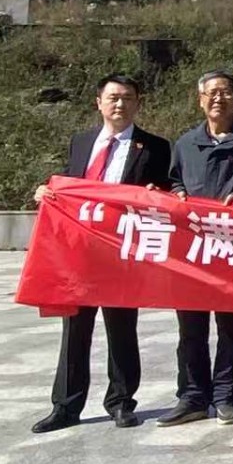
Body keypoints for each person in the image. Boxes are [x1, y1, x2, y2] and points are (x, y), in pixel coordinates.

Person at [31, 73, 172, 433]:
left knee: (121, 328)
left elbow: (164, 193)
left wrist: (159, 193)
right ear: (99, 102)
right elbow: (68, 184)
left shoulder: (154, 147)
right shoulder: (81, 142)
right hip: (78, 253)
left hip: (121, 253)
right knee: (74, 329)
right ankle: (66, 405)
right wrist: (46, 191)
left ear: (138, 103)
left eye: (127, 98)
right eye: (113, 98)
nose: (120, 104)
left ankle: (122, 401)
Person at [162, 71, 233, 427]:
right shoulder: (185, 143)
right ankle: (192, 396)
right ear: (200, 100)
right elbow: (173, 180)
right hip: (192, 249)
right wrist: (176, 193)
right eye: (211, 93)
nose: (218, 99)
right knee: (190, 327)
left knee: (231, 326)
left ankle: (228, 395)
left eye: (225, 92)